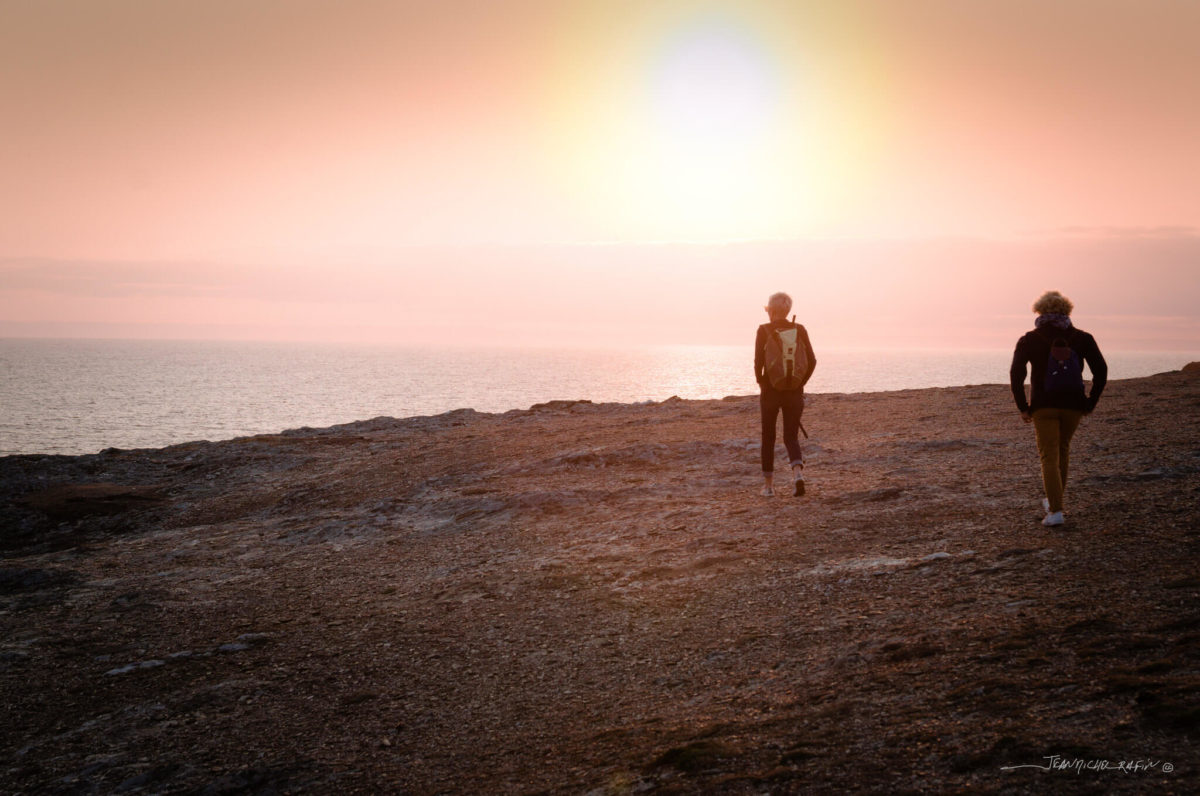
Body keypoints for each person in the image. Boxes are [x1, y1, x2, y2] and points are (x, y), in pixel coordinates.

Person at [1009, 290, 1107, 526]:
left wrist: (1023, 406)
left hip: (1043, 406)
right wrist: (1090, 402)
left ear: (1040, 311)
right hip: (1074, 405)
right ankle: (1055, 501)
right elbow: (1101, 371)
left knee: (1048, 455)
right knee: (1062, 450)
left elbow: (1016, 374)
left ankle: (1055, 511)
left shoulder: (1029, 339)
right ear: (1067, 311)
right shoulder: (1083, 338)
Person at [755, 292, 817, 496]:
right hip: (794, 391)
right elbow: (812, 361)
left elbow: (758, 365)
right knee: (791, 437)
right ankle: (798, 475)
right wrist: (800, 383)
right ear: (787, 310)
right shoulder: (799, 329)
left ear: (771, 311)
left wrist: (763, 383)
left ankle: (769, 487)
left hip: (771, 392)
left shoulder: (764, 330)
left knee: (769, 437)